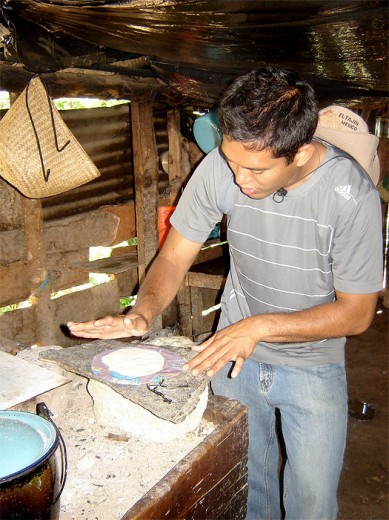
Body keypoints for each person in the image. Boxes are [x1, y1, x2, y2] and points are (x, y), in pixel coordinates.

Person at [68, 68, 383, 520]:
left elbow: (356, 314)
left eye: (254, 169)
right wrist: (142, 313)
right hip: (232, 359)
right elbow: (175, 257)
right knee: (246, 486)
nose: (238, 180)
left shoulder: (350, 195)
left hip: (313, 367)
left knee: (311, 502)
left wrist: (258, 327)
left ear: (299, 153)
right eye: (231, 162)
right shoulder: (224, 165)